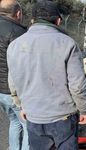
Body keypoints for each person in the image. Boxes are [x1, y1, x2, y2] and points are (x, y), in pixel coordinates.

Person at [7, 1, 86, 150]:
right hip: (63, 117)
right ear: (58, 20)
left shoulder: (14, 45)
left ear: (32, 20)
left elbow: (13, 81)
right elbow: (77, 85)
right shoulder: (68, 43)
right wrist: (84, 110)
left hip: (33, 116)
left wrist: (21, 105)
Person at [0, 0, 29, 150]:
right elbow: (24, 65)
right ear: (18, 13)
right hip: (13, 91)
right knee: (28, 126)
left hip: (0, 91)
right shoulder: (18, 32)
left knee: (15, 121)